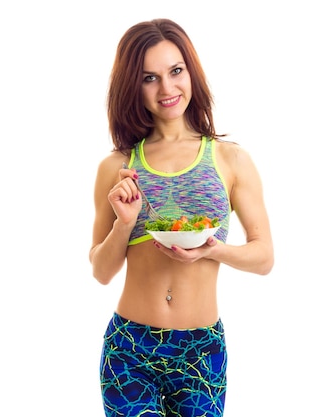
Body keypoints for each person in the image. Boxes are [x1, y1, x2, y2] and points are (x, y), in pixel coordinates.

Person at [89, 18, 274, 417]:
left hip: (201, 350)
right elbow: (101, 271)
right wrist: (125, 222)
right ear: (132, 87)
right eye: (149, 78)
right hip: (129, 349)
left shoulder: (230, 159)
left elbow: (264, 257)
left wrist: (213, 249)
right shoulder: (118, 167)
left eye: (176, 71)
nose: (167, 88)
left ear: (191, 71)